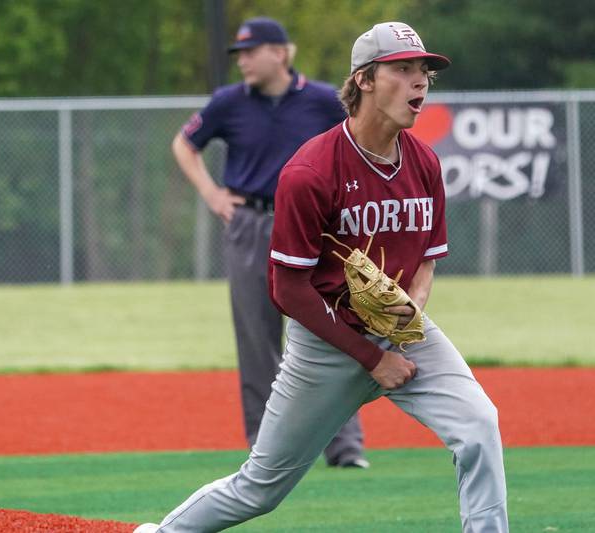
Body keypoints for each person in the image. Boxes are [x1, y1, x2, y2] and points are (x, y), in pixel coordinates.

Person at [137, 21, 508, 533]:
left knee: (479, 426)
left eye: (424, 70)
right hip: (326, 344)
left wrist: (413, 308)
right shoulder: (311, 172)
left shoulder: (423, 161)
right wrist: (373, 358)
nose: (420, 80)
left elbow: (427, 256)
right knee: (259, 488)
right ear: (365, 81)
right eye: (403, 69)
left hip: (403, 334)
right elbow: (287, 289)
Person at [171, 16, 367, 468]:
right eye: (238, 54)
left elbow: (358, 144)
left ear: (280, 53)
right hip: (252, 223)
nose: (242, 61)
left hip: (317, 228)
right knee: (257, 337)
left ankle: (345, 447)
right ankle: (266, 450)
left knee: (335, 328)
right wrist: (211, 193)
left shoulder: (322, 100)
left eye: (250, 52)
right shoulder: (229, 102)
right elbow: (184, 144)